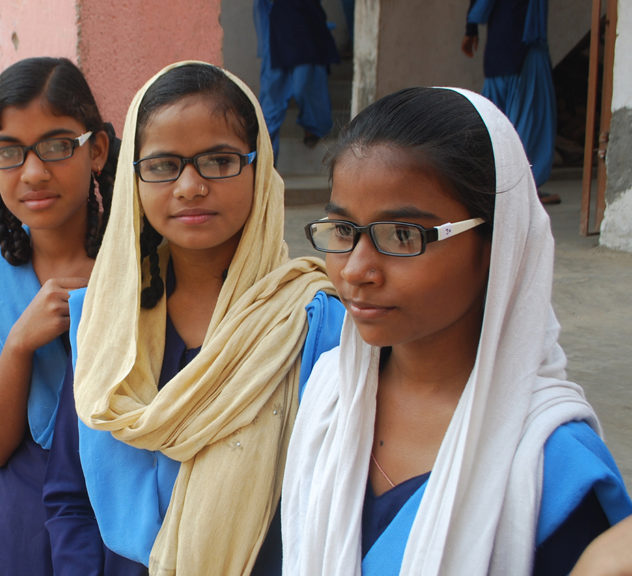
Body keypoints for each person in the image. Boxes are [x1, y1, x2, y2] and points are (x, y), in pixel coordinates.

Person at [280, 87, 632, 575]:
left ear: (496, 245)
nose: (357, 269)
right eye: (343, 232)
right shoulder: (329, 394)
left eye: (402, 235)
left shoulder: (550, 464)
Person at [67, 61, 342, 575]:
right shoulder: (101, 321)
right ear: (134, 178)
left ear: (261, 169)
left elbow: (330, 508)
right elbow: (68, 495)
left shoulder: (311, 321)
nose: (190, 186)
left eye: (219, 160)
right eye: (163, 164)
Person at [0, 56, 115, 576]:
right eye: (9, 152)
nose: (34, 172)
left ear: (97, 151)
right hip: (21, 525)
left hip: (123, 514)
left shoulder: (142, 268)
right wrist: (20, 342)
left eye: (57, 145)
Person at [462, 0, 558, 204]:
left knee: (495, 122)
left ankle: (493, 185)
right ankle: (520, 188)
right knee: (529, 121)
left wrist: (470, 29)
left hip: (498, 51)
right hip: (524, 49)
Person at [253, 0, 339, 157]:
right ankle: (266, 164)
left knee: (304, 86)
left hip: (306, 27)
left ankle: (313, 128)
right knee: (271, 105)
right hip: (278, 30)